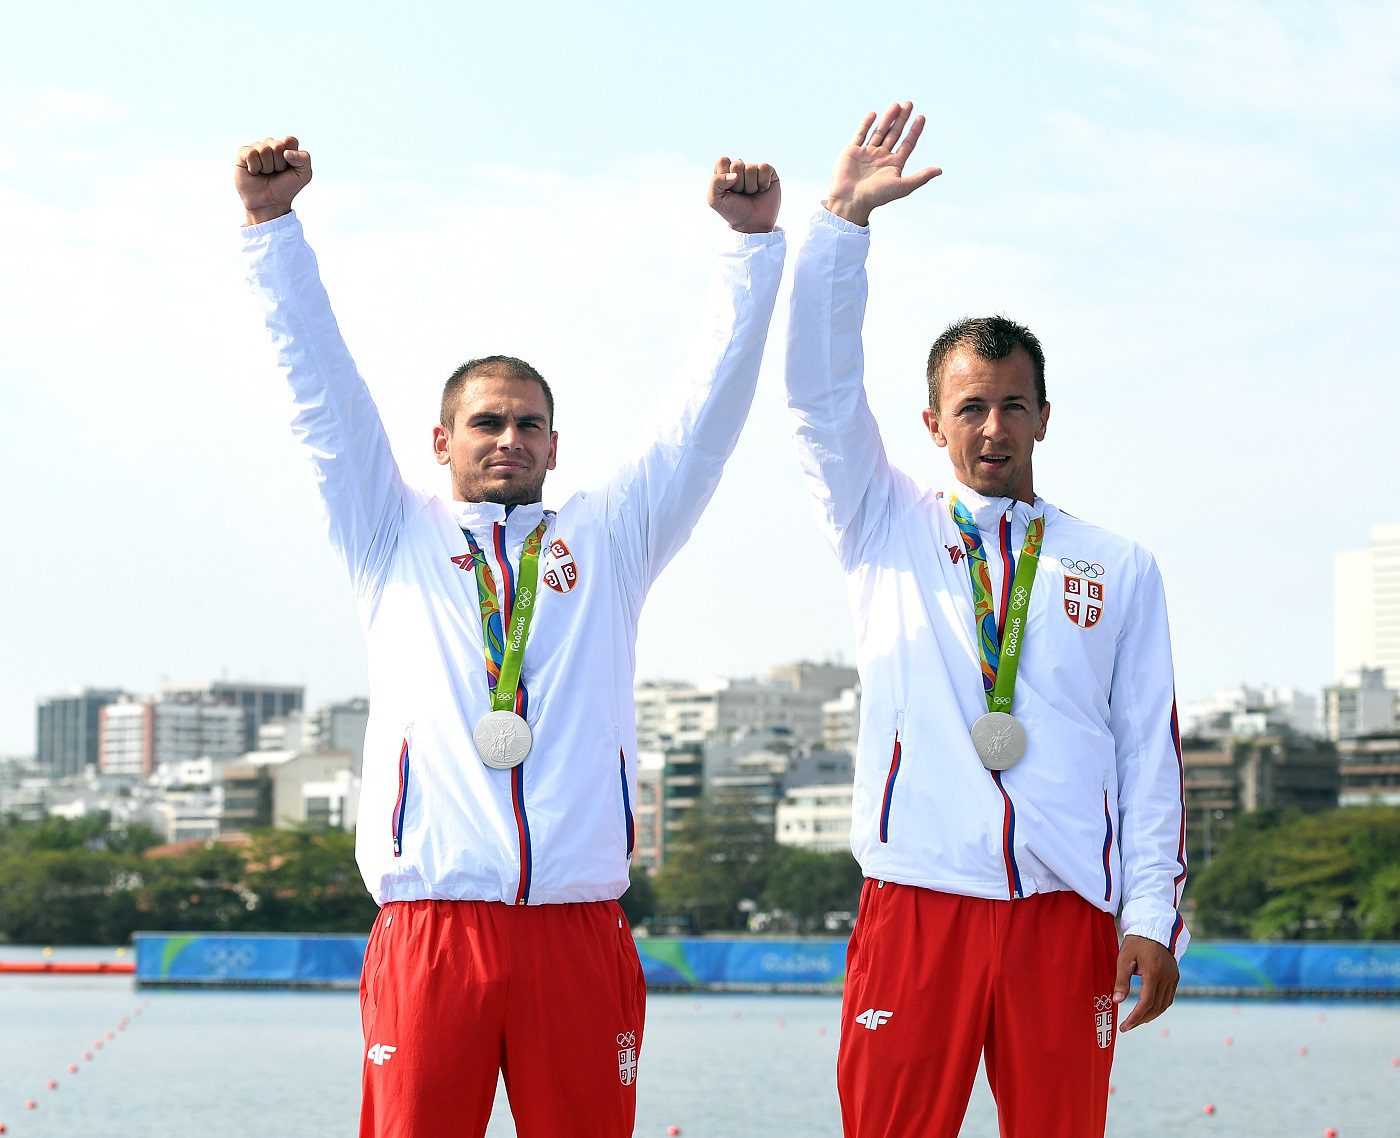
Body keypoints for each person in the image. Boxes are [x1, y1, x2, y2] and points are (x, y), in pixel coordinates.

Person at [234, 135, 784, 1138]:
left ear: (554, 444)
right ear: (440, 440)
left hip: (576, 931)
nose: (508, 438)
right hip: (430, 927)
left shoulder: (609, 539)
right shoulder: (386, 531)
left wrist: (747, 252)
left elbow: (699, 424)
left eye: (529, 423)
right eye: (486, 422)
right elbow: (320, 395)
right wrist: (273, 231)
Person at [784, 102, 1188, 1138]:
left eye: (1012, 405)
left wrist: (1148, 917)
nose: (993, 427)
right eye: (969, 407)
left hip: (1065, 916)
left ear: (1044, 416)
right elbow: (817, 397)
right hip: (914, 902)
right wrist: (839, 229)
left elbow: (1147, 758)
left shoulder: (1116, 565)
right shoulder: (882, 524)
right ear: (931, 424)